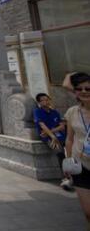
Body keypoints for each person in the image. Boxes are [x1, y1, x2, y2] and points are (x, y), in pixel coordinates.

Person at [63, 72, 90, 222]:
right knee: (88, 212)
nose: (84, 91)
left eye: (88, 88)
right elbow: (69, 139)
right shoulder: (72, 112)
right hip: (81, 165)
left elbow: (66, 85)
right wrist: (68, 162)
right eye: (79, 89)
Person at [33, 92, 72, 191]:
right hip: (48, 138)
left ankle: (74, 175)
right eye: (43, 100)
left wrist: (51, 132)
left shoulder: (54, 112)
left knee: (72, 152)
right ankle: (65, 178)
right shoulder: (37, 112)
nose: (46, 101)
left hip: (61, 136)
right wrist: (52, 136)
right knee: (60, 153)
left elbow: (62, 126)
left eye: (47, 99)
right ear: (39, 102)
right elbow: (42, 125)